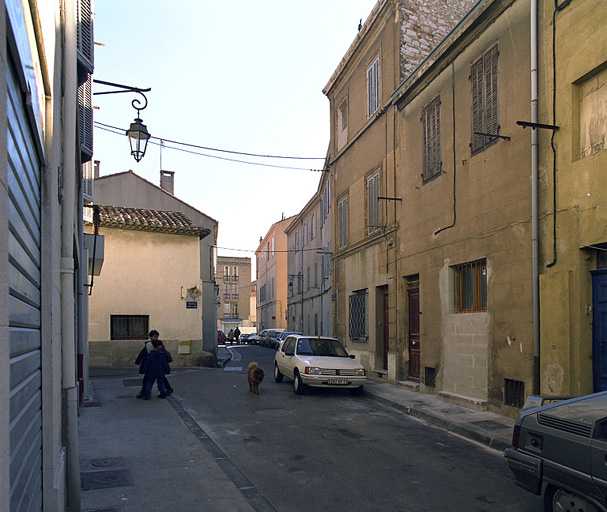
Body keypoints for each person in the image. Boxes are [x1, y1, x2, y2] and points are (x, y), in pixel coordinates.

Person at [136, 330, 174, 398]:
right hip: (152, 366)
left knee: (154, 380)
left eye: (157, 337)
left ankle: (146, 392)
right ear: (150, 337)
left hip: (156, 366)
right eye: (154, 337)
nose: (156, 338)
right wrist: (138, 361)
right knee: (153, 379)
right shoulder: (149, 344)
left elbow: (164, 353)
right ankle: (145, 392)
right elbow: (143, 353)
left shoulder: (158, 344)